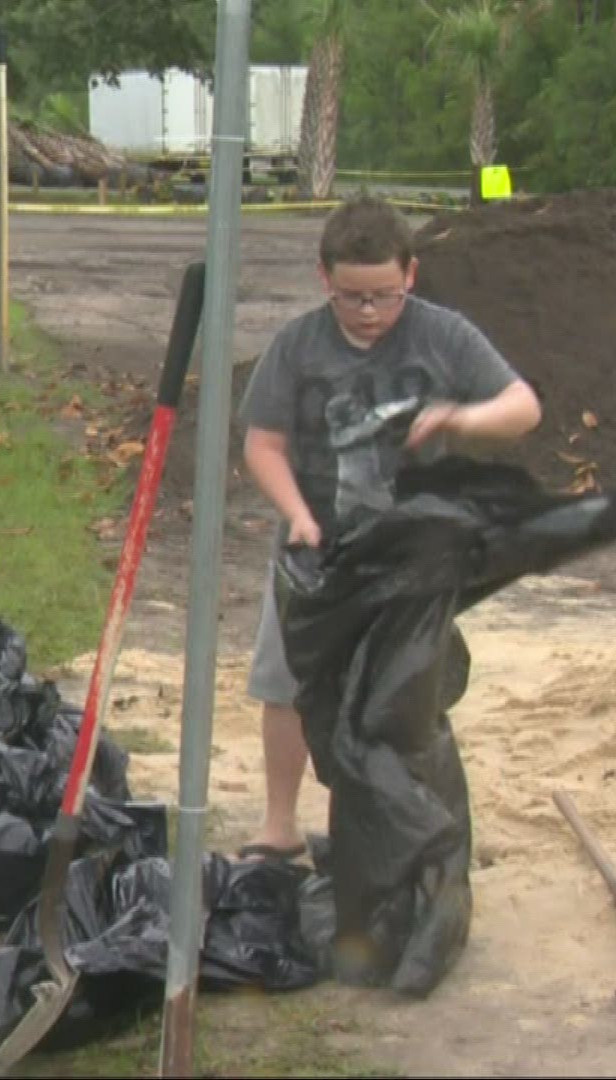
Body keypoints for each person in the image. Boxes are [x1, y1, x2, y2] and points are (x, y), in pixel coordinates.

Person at [235, 194, 543, 861]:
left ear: (410, 273)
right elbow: (262, 443)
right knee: (285, 682)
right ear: (325, 279)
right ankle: (279, 823)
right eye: (353, 297)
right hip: (315, 548)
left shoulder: (444, 336)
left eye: (384, 295)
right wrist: (297, 513)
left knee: (402, 692)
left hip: (409, 554)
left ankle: (395, 827)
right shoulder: (298, 346)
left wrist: (462, 420)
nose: (370, 313)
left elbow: (524, 409)